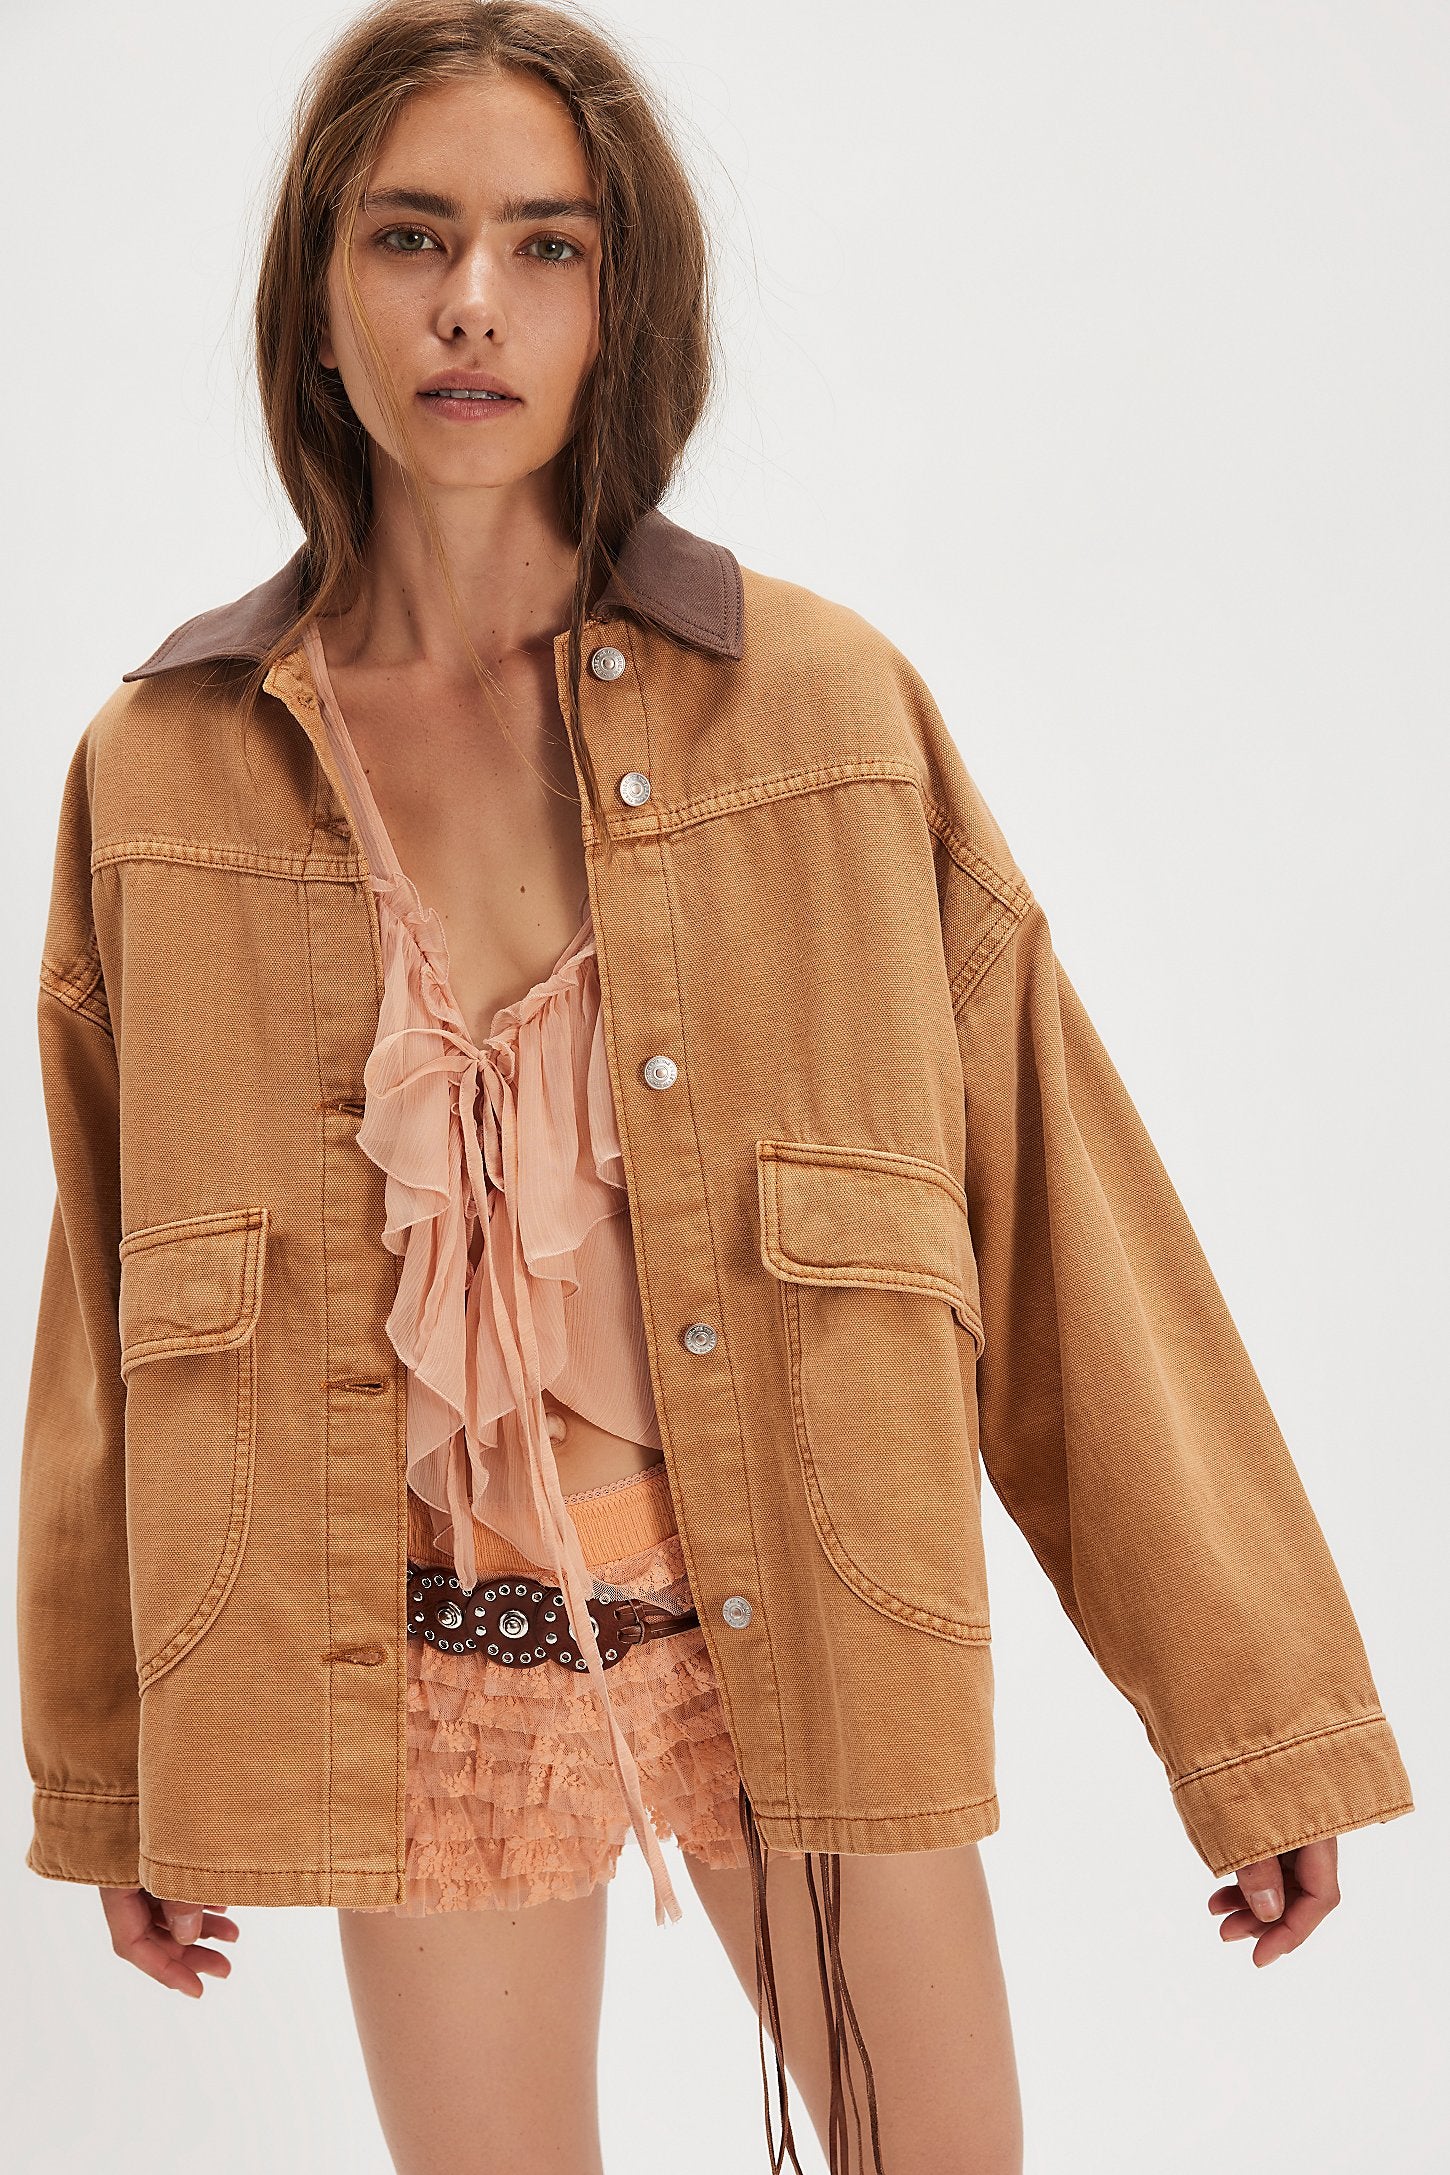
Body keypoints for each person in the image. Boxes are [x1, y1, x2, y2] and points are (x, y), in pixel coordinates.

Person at [16, 6, 1413, 2173]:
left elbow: (1064, 1227)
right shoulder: (167, 767)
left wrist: (1251, 1724)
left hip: (801, 1634)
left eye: (541, 246)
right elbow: (104, 1324)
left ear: (617, 300)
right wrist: (109, 1767)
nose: (469, 302)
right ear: (320, 289)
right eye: (408, 236)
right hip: (417, 1683)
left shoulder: (827, 715)